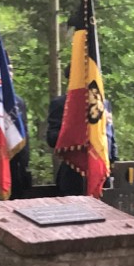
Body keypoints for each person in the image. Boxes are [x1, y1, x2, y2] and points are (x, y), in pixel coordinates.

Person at [46, 65, 118, 195]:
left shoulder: (104, 103)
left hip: (101, 169)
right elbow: (52, 138)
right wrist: (81, 128)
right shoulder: (61, 103)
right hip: (74, 172)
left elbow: (110, 135)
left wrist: (114, 161)